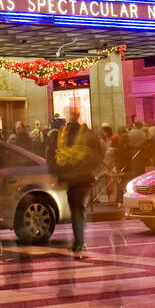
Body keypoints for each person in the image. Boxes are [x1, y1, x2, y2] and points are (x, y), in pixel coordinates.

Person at [53, 109, 101, 257]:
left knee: (76, 209)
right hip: (84, 177)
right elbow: (98, 153)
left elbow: (56, 155)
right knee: (78, 208)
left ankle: (79, 241)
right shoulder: (86, 133)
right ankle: (79, 240)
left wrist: (60, 174)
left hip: (73, 178)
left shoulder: (63, 134)